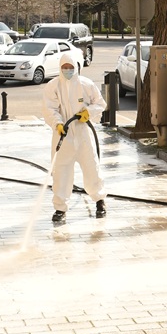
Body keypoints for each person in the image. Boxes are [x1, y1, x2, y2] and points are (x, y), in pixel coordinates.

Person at [42, 52, 108, 223]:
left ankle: (100, 201)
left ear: (76, 68)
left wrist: (88, 112)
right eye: (64, 68)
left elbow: (100, 103)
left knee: (91, 167)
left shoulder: (86, 84)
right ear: (60, 68)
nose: (68, 70)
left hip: (83, 134)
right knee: (61, 173)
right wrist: (57, 124)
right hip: (63, 136)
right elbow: (49, 109)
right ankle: (60, 209)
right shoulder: (53, 86)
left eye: (71, 68)